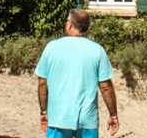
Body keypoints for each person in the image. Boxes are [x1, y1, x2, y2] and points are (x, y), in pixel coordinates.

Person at [36, 9, 119, 138]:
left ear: (69, 24)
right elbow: (106, 87)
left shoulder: (51, 47)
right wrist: (113, 115)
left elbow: (42, 83)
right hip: (87, 118)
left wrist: (44, 111)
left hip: (59, 117)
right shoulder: (97, 50)